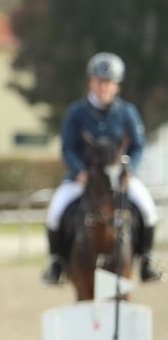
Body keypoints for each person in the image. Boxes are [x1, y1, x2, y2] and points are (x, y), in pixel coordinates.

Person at [42, 51, 163, 284]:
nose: (103, 86)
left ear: (116, 86)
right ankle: (56, 262)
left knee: (148, 210)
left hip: (119, 177)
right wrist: (79, 171)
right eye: (99, 81)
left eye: (108, 82)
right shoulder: (76, 113)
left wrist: (129, 168)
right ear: (91, 81)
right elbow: (67, 148)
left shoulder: (127, 113)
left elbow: (138, 146)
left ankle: (147, 261)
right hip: (84, 178)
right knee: (55, 212)